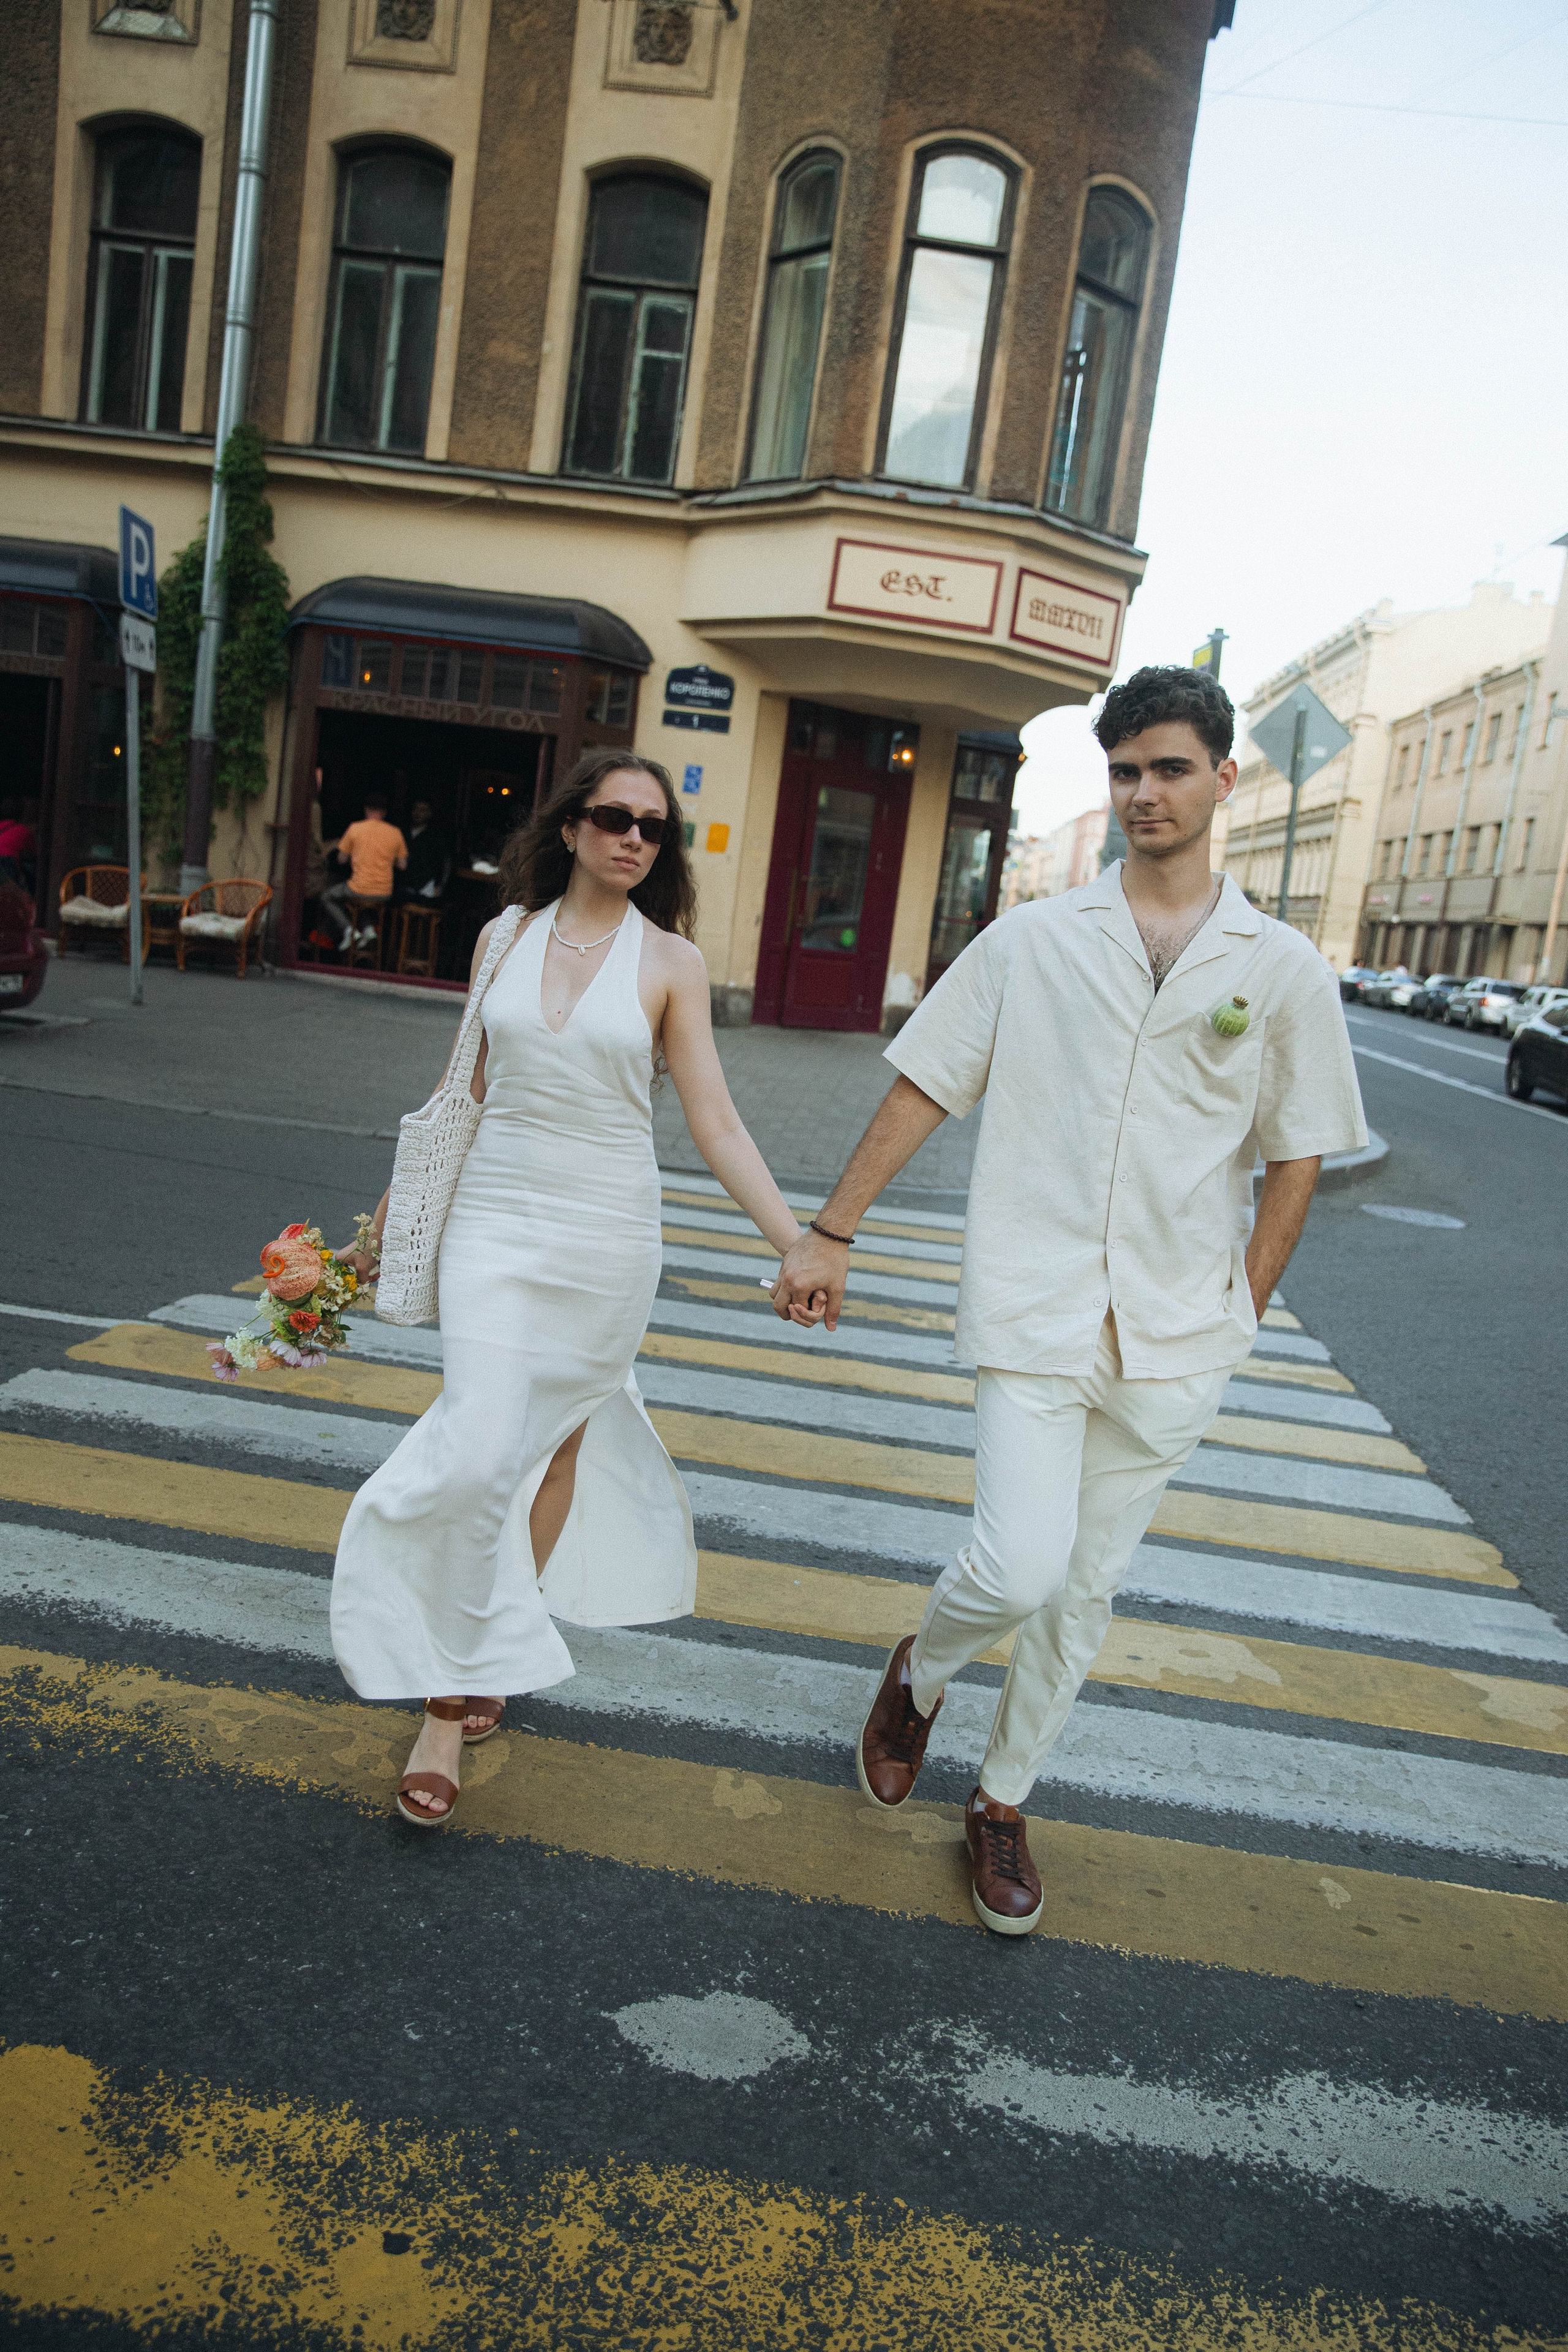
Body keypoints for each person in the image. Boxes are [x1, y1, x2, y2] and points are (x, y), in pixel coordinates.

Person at [770, 666, 1367, 1936]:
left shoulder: (1281, 970)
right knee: (1017, 1563)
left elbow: (1297, 1153)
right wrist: (830, 1230)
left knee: (1083, 1589)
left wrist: (1241, 1313)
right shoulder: (1032, 942)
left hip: (1176, 1331)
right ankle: (922, 1672)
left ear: (1222, 777)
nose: (1145, 793)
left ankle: (1002, 1801)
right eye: (1124, 772)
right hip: (1035, 1302)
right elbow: (928, 1083)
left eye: (1169, 768)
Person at [331, 748, 818, 1827]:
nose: (633, 838)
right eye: (613, 817)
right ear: (569, 828)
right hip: (495, 1224)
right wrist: (382, 1228)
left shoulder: (671, 962)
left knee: (552, 1450)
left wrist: (799, 1242)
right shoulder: (502, 938)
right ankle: (458, 1671)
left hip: (606, 1236)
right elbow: (459, 1094)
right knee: (478, 1447)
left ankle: (459, 1691)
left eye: (654, 827)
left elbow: (716, 1121)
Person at [321, 791, 407, 948]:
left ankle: (349, 930)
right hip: (384, 893)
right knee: (359, 901)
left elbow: (341, 860)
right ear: (384, 813)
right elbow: (402, 865)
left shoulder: (355, 829)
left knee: (329, 896)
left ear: (366, 810)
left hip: (358, 888)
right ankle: (368, 929)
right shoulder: (395, 832)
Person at [401, 798, 451, 903]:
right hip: (403, 885)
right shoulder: (403, 833)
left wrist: (439, 886)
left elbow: (444, 863)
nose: (418, 813)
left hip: (425, 887)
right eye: (416, 809)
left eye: (423, 810)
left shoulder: (436, 837)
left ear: (429, 814)